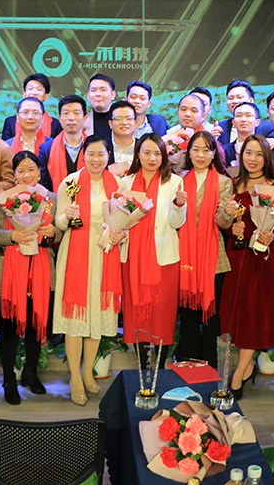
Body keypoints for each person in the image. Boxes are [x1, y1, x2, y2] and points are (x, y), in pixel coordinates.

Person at [54, 135, 125, 406]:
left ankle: (87, 371)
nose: (96, 159)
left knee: (97, 315)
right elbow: (59, 222)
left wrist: (121, 234)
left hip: (105, 252)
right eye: (91, 153)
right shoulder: (70, 182)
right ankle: (74, 376)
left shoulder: (117, 184)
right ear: (83, 155)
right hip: (76, 251)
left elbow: (125, 220)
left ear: (108, 156)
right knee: (76, 315)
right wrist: (67, 216)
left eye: (101, 154)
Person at [0, 151, 60, 404]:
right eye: (21, 170)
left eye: (31, 169)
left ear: (39, 172)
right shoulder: (4, 200)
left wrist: (52, 232)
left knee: (35, 326)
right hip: (10, 272)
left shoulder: (51, 199)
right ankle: (8, 379)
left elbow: (60, 234)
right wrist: (12, 236)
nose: (27, 175)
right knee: (9, 329)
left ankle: (30, 373)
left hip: (40, 269)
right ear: (14, 174)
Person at [219, 135, 274, 399]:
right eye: (248, 152)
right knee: (237, 316)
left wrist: (272, 233)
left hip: (262, 259)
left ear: (267, 158)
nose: (253, 159)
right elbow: (223, 222)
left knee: (254, 317)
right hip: (237, 257)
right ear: (241, 154)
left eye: (259, 154)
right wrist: (231, 228)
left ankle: (237, 376)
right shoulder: (233, 185)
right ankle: (247, 368)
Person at [119, 133, 186, 367]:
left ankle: (158, 369)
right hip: (133, 258)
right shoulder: (125, 182)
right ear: (137, 154)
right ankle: (144, 368)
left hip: (163, 258)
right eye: (146, 152)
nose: (152, 158)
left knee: (162, 315)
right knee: (136, 313)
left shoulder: (174, 182)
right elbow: (119, 219)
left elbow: (177, 223)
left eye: (157, 153)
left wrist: (180, 205)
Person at [175, 131, 233, 366]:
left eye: (206, 150)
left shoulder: (223, 182)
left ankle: (210, 369)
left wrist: (227, 212)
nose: (200, 155)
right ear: (188, 153)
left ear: (213, 154)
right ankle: (188, 365)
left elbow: (223, 223)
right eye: (195, 149)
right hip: (184, 255)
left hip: (213, 256)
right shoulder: (178, 180)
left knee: (212, 315)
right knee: (188, 315)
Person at [5, 96, 54, 188]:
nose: (30, 117)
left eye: (35, 112)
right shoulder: (6, 146)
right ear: (17, 117)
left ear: (43, 117)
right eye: (25, 112)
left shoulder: (52, 145)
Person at [47, 94, 89, 191]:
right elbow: (45, 184)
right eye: (66, 113)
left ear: (84, 118)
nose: (71, 118)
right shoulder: (47, 148)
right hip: (57, 199)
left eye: (76, 113)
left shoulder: (94, 147)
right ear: (60, 119)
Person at [1, 73, 60, 140]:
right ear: (24, 94)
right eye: (30, 88)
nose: (34, 93)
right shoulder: (10, 122)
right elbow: (5, 146)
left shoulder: (56, 125)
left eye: (39, 89)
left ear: (46, 96)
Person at [214, 80, 273, 146]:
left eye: (239, 97)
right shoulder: (220, 128)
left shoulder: (267, 128)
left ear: (251, 100)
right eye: (231, 98)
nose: (235, 101)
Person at [222, 102, 261, 168]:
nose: (243, 119)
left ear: (257, 122)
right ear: (233, 122)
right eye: (239, 115)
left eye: (248, 115)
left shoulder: (266, 148)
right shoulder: (224, 151)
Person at [84, 73, 116, 139]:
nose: (98, 94)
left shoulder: (123, 121)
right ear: (88, 96)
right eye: (93, 90)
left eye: (103, 90)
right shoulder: (82, 123)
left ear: (113, 95)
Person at [107, 99, 137, 168]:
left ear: (135, 123)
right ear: (110, 124)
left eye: (129, 118)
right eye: (118, 118)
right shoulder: (102, 147)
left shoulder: (143, 147)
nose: (124, 122)